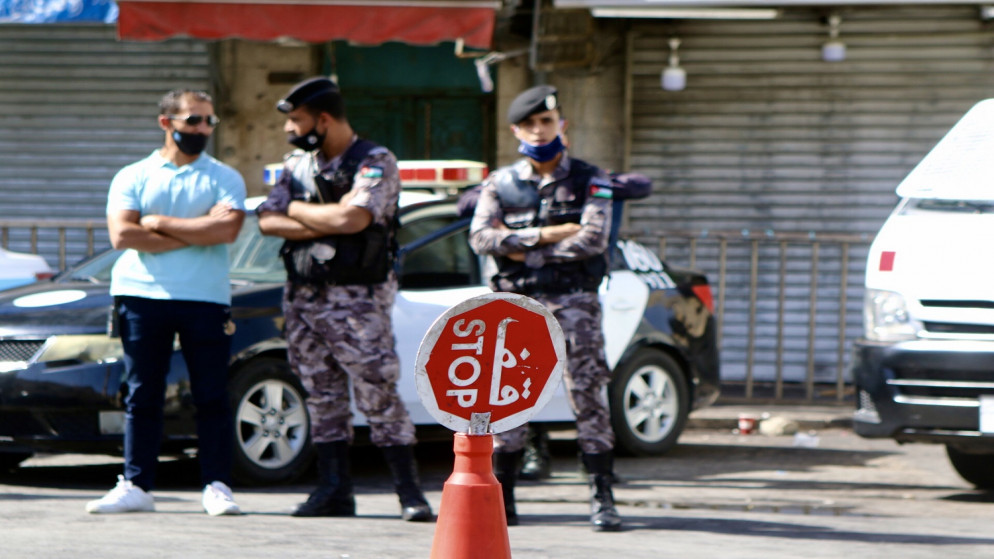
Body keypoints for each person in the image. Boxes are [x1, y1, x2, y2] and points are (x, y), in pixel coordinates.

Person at [257, 77, 432, 522]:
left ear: (324, 119)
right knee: (321, 395)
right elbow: (267, 220)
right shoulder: (296, 166)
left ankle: (409, 494)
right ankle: (333, 491)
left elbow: (353, 218)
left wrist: (297, 211)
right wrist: (318, 218)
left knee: (377, 393)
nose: (289, 130)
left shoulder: (373, 162)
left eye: (296, 120)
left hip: (358, 301)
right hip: (303, 299)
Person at [468, 84, 622, 532]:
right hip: (516, 305)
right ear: (516, 129)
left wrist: (519, 247)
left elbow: (592, 239)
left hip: (574, 302)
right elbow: (481, 239)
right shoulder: (500, 183)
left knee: (589, 395)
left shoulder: (591, 179)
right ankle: (506, 499)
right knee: (508, 399)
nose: (538, 131)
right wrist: (549, 235)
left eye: (546, 122)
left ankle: (602, 498)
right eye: (529, 124)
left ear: (562, 126)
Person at [86, 89, 247, 516]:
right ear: (166, 123)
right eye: (193, 120)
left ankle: (216, 485)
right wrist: (197, 228)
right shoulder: (133, 175)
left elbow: (226, 232)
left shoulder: (225, 177)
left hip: (205, 297)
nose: (202, 130)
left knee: (211, 394)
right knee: (142, 393)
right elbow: (123, 235)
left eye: (209, 122)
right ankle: (136, 484)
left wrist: (156, 223)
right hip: (141, 294)